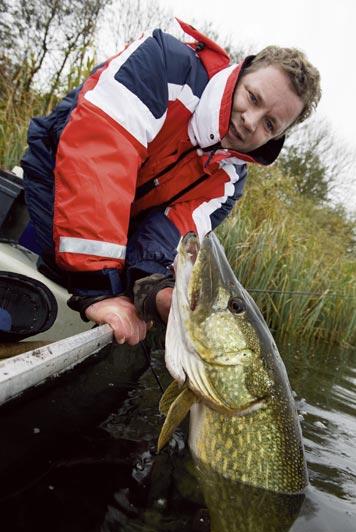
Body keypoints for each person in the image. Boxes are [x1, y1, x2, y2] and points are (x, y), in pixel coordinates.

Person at [20, 19, 321, 345]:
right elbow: (97, 158)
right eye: (253, 97)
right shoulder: (165, 61)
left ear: (275, 138)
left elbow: (163, 236)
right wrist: (98, 288)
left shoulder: (230, 185)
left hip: (119, 225)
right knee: (48, 260)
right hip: (54, 174)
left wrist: (156, 292)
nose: (250, 121)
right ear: (239, 74)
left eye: (270, 124)